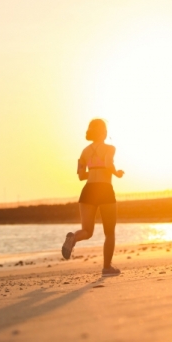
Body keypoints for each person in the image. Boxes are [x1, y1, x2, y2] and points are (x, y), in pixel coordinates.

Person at [61, 119, 125, 277]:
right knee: (109, 232)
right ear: (103, 131)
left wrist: (94, 170)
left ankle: (73, 237)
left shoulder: (85, 151)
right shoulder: (110, 148)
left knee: (87, 231)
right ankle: (106, 267)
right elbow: (109, 163)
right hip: (104, 189)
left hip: (88, 190)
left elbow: (81, 176)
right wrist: (116, 173)